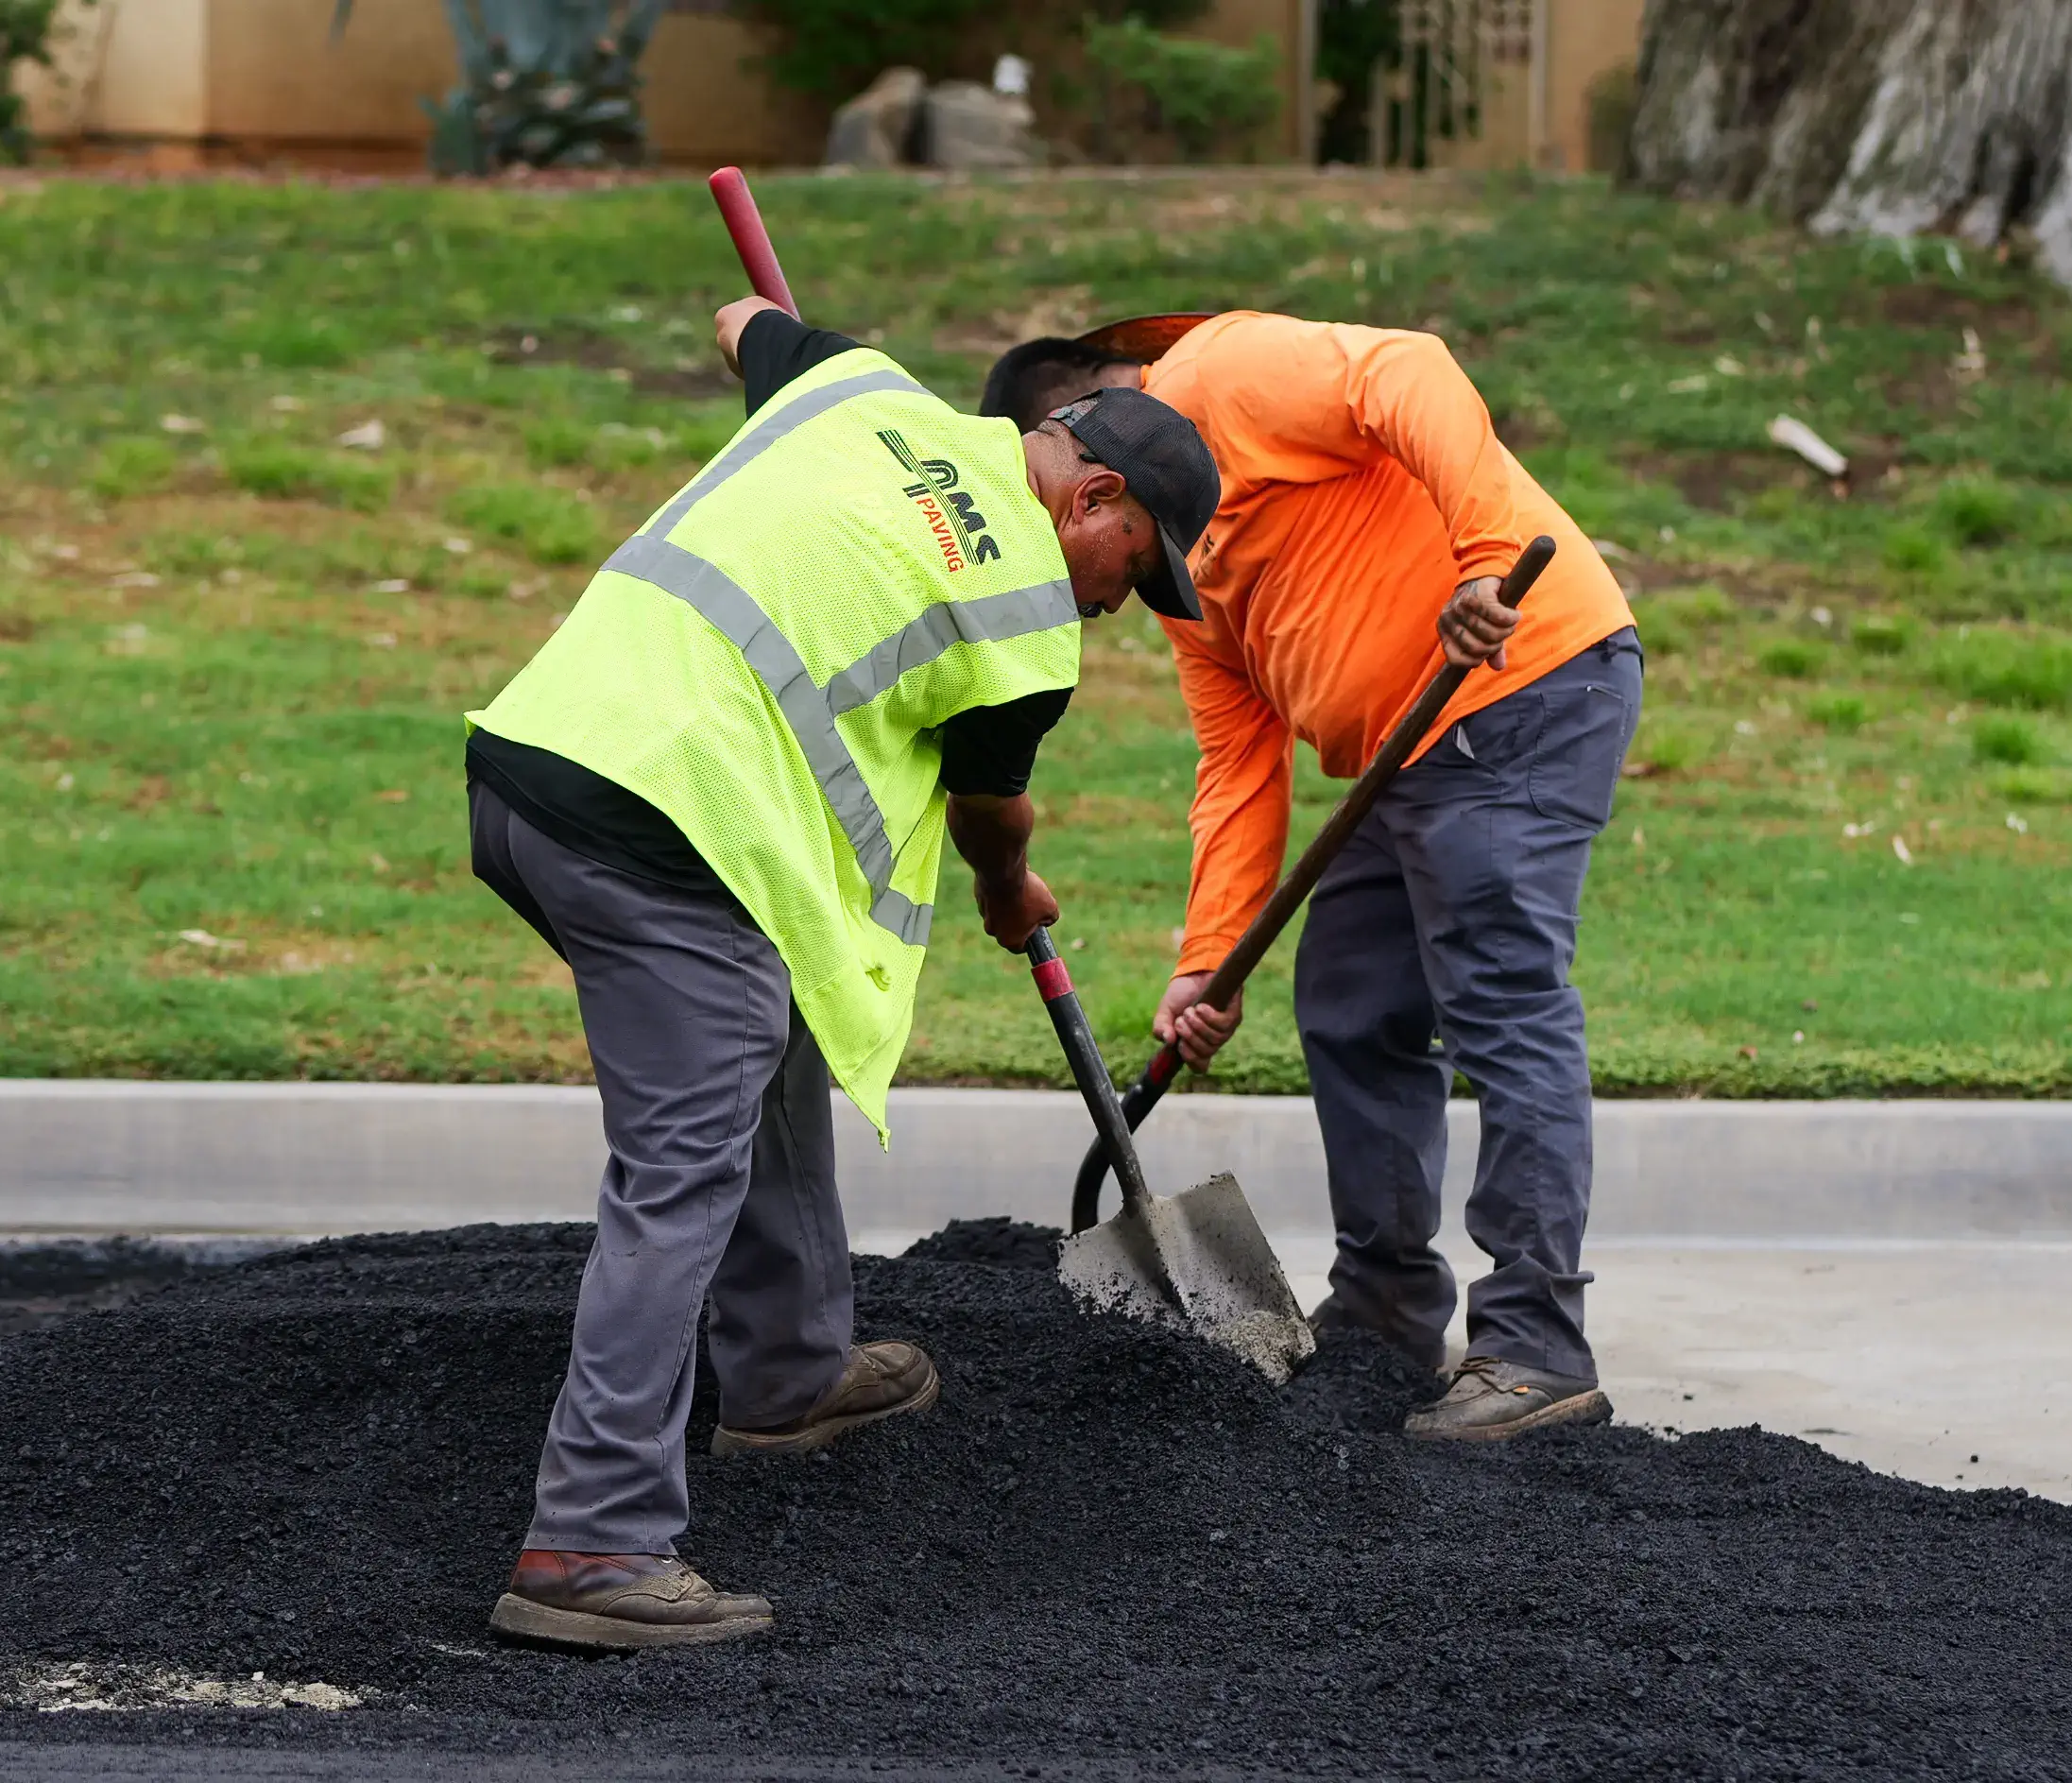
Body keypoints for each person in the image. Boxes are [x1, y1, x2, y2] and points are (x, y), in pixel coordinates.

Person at [468, 296, 1219, 1651]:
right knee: (681, 1169)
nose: (1122, 601)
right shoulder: (1028, 617)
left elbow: (738, 316)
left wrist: (795, 364)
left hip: (538, 765)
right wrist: (1007, 889)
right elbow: (992, 812)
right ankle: (591, 1536)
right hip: (667, 822)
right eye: (1137, 562)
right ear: (1091, 490)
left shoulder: (858, 388)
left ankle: (787, 1368)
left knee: (776, 1032)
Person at [984, 314, 1642, 1443]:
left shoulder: (1222, 372)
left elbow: (1411, 370)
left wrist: (1487, 561)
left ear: (1085, 425)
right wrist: (1207, 963)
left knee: (1500, 1002)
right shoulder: (1177, 563)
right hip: (1397, 757)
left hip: (1517, 688)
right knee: (1350, 1010)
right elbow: (1238, 762)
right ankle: (1385, 1314)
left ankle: (1538, 1345)